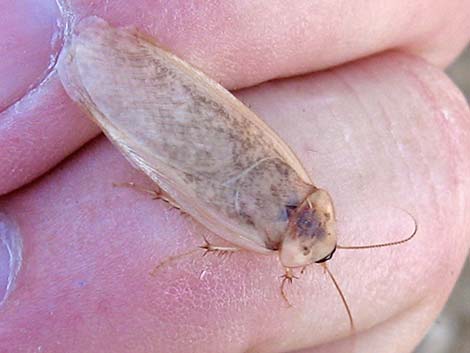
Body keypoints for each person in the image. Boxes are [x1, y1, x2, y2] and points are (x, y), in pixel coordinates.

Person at [0, 1, 469, 352]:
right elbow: (198, 213)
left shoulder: (302, 193)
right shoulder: (267, 244)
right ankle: (94, 64)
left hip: (189, 133)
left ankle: (92, 67)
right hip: (176, 137)